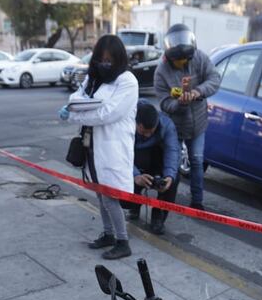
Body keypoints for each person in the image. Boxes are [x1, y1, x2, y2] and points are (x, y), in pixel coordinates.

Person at [59, 34, 138, 260]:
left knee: (110, 196)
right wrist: (72, 107)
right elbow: (76, 97)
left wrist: (74, 115)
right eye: (101, 60)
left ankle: (123, 241)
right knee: (100, 194)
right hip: (91, 144)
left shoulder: (127, 81)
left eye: (109, 60)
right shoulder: (94, 78)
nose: (104, 64)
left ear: (118, 59)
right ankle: (108, 234)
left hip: (112, 147)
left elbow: (107, 114)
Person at [154, 23, 221, 211]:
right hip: (174, 126)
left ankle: (197, 202)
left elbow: (214, 79)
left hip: (198, 123)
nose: (182, 63)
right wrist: (179, 103)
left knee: (197, 161)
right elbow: (164, 103)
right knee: (172, 165)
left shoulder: (199, 58)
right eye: (178, 61)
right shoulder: (161, 72)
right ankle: (166, 205)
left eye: (185, 60)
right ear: (170, 58)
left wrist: (198, 91)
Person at [128, 101, 180, 236]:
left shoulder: (167, 125)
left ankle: (158, 217)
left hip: (157, 158)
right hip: (134, 158)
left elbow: (172, 151)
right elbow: (120, 154)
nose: (147, 135)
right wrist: (135, 176)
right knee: (126, 179)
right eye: (143, 132)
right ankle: (133, 205)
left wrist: (169, 177)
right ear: (136, 123)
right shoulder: (125, 121)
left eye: (150, 132)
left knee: (174, 178)